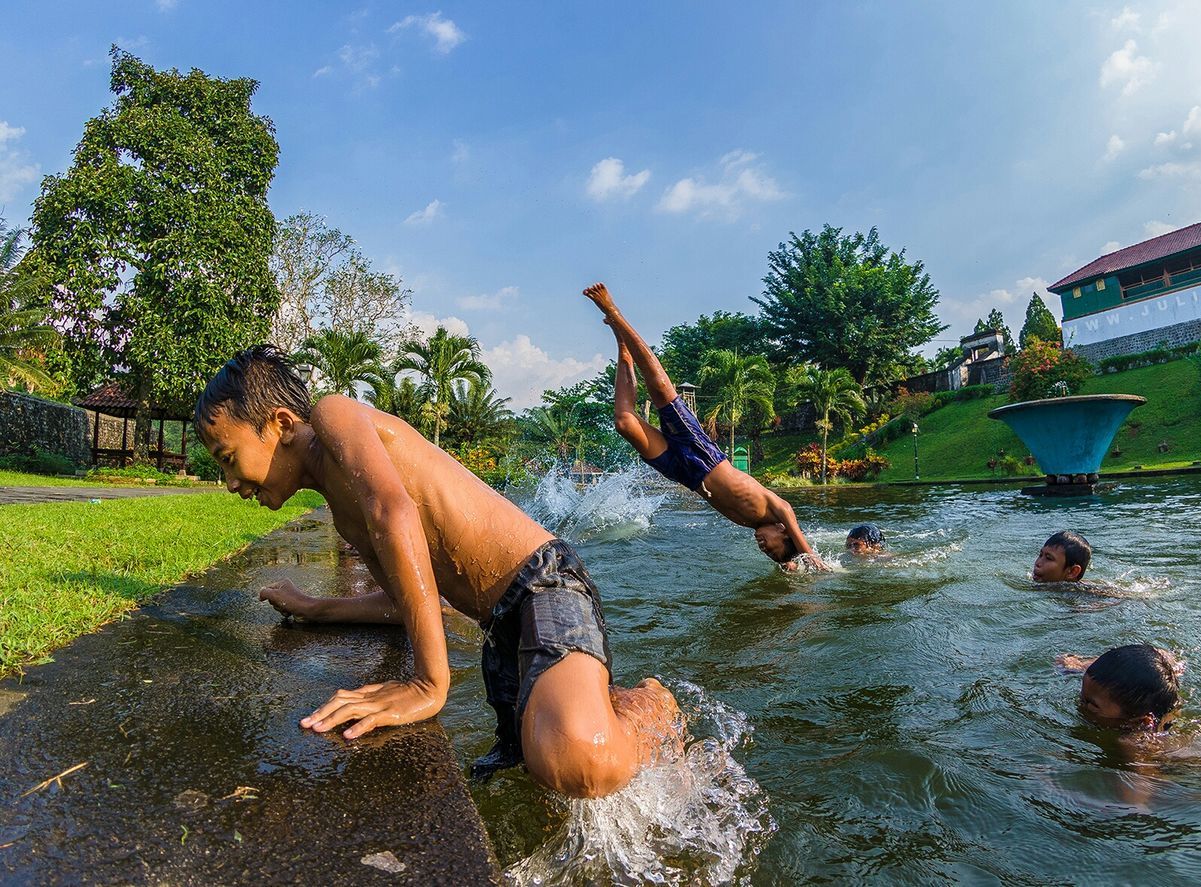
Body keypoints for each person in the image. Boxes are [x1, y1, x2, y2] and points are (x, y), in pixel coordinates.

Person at [194, 345, 680, 798]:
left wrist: (429, 683)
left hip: (544, 582)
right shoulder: (344, 514)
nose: (231, 482)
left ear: (279, 423)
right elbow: (401, 599)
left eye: (228, 459)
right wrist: (317, 608)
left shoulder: (332, 414)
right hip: (502, 623)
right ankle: (594, 697)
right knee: (530, 770)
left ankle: (651, 705)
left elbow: (394, 511)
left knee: (581, 762)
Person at [583, 282, 827, 571]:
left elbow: (791, 560)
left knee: (625, 423)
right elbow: (802, 541)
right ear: (784, 533)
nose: (765, 551)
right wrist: (810, 558)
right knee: (660, 389)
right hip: (704, 456)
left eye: (769, 557)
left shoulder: (752, 522)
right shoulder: (777, 510)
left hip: (683, 472)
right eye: (774, 551)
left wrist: (789, 566)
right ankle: (615, 312)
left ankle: (622, 345)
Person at [1055, 644, 1181, 733]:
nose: (1078, 704)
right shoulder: (1108, 696)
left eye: (1091, 705)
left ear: (1139, 722)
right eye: (1081, 696)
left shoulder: (1139, 747)